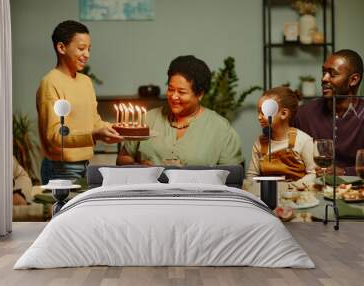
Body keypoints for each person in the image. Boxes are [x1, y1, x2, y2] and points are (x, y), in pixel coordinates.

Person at [116, 55, 243, 166]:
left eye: (181, 92)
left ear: (199, 94)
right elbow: (122, 158)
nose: (173, 96)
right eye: (171, 89)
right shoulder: (148, 119)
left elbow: (233, 174)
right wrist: (137, 166)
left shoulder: (220, 128)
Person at [37, 20, 123, 184]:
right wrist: (93, 135)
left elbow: (94, 121)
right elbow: (55, 135)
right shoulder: (50, 83)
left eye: (89, 49)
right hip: (60, 168)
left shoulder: (85, 82)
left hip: (84, 166)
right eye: (81, 48)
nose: (87, 55)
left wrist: (118, 129)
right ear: (61, 47)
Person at [294, 49, 364, 176]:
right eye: (324, 72)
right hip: (311, 191)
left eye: (332, 74)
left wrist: (344, 172)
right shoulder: (303, 114)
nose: (324, 78)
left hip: (357, 192)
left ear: (353, 80)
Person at [247, 86, 316, 185]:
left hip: (297, 196)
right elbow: (252, 176)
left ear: (283, 113)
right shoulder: (260, 142)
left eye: (264, 112)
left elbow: (312, 174)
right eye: (258, 112)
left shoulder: (303, 141)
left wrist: (292, 187)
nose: (259, 117)